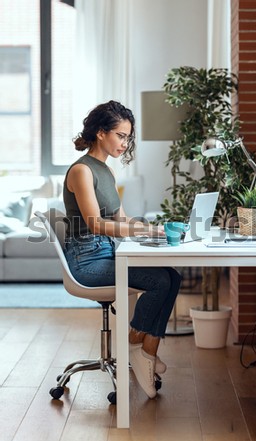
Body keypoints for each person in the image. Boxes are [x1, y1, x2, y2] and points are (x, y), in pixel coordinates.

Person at [63, 100, 181, 399]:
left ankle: (147, 353)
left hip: (106, 253)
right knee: (160, 281)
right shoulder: (81, 171)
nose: (124, 143)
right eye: (120, 135)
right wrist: (143, 230)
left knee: (173, 276)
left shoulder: (106, 172)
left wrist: (153, 228)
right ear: (101, 133)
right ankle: (134, 347)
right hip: (86, 261)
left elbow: (121, 220)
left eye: (128, 137)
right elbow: (96, 224)